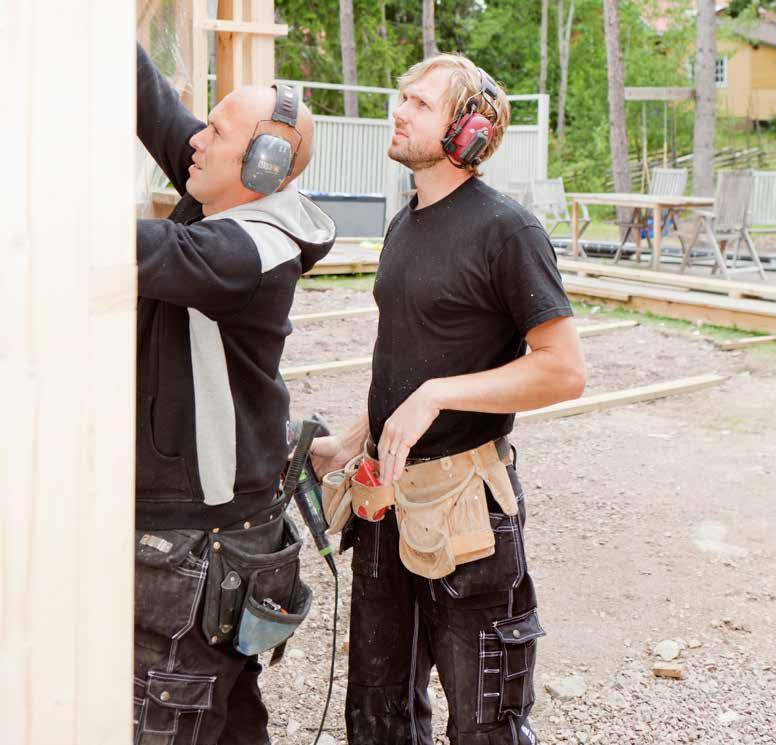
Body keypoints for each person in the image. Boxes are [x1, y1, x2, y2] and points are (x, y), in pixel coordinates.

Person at [311, 54, 586, 745]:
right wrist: (353, 439)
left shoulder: (507, 230)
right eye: (400, 97)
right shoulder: (406, 222)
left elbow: (562, 370)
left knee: (485, 721)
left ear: (466, 132)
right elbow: (416, 353)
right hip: (386, 501)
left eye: (418, 103)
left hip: (467, 509)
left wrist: (437, 395)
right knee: (378, 714)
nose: (398, 111)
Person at [132, 44, 335, 745]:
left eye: (215, 133)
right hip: (233, 529)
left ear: (263, 168)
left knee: (171, 711)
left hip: (199, 536)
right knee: (224, 716)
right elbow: (152, 103)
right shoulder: (224, 200)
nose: (194, 139)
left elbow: (124, 248)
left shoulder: (242, 252)